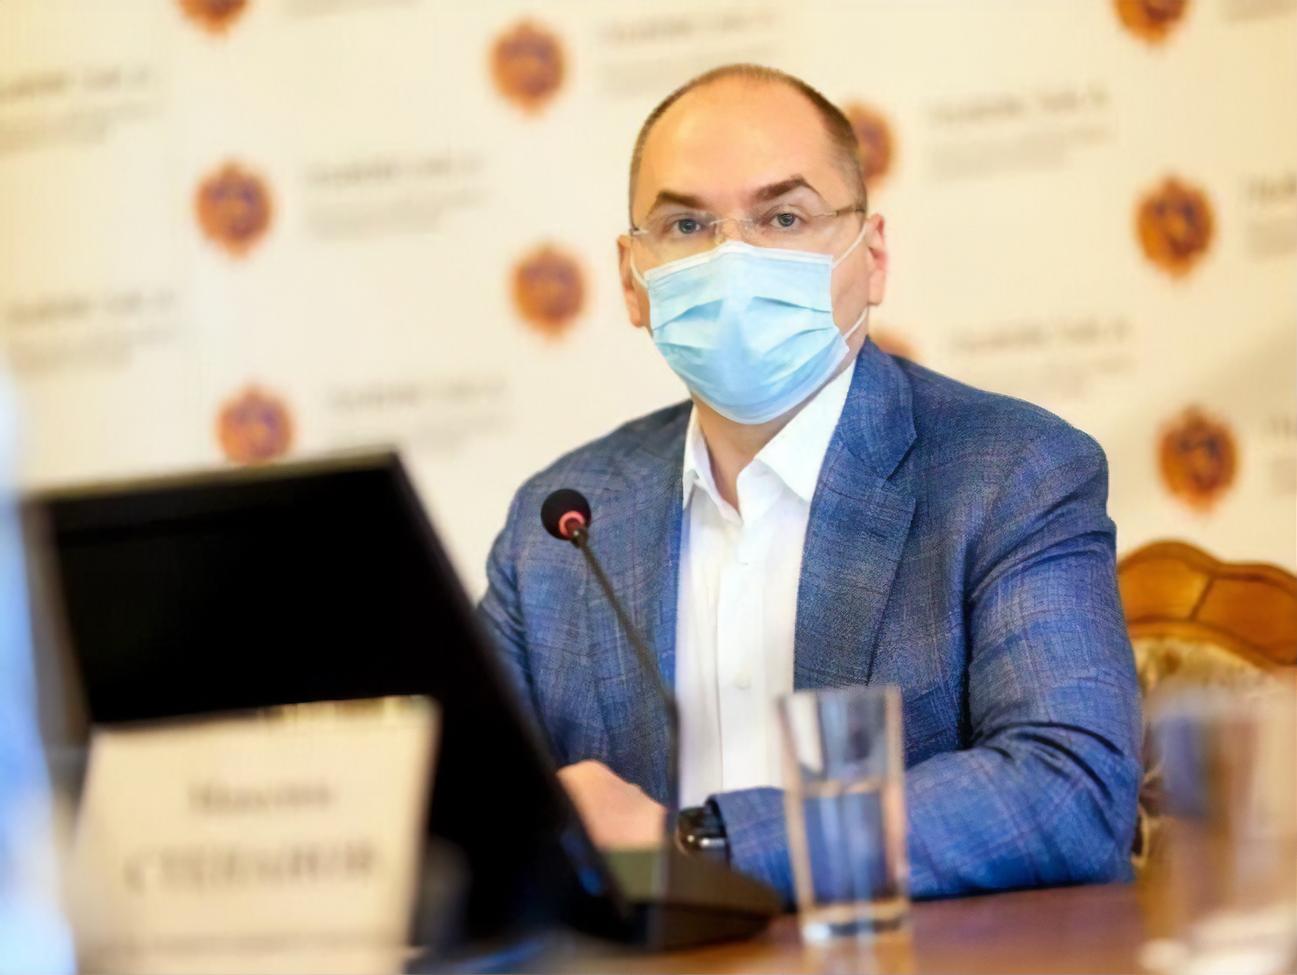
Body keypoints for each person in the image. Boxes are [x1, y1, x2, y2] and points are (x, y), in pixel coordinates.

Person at [479, 63, 1141, 903]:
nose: (731, 259)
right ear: (631, 279)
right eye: (685, 225)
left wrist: (696, 846)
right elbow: (464, 810)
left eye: (783, 217)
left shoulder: (1010, 472)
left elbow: (1069, 792)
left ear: (871, 257)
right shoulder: (562, 524)